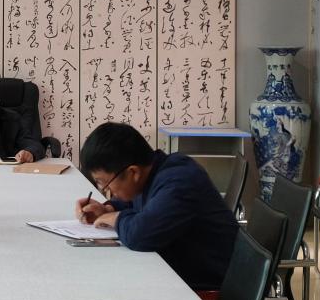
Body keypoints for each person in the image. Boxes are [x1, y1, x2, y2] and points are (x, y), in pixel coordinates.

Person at [74, 122, 239, 290]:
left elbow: (140, 235)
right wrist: (108, 209)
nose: (106, 190)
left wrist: (114, 218)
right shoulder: (153, 172)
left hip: (212, 284)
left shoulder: (179, 181)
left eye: (105, 183)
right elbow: (134, 202)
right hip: (179, 271)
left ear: (133, 172)